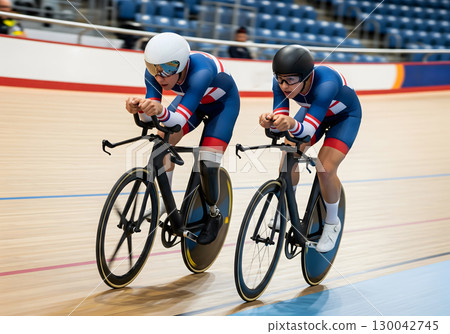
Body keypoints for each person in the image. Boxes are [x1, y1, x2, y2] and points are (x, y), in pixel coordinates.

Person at [126, 32, 240, 245]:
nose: (160, 76)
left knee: (207, 163)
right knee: (161, 144)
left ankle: (214, 213)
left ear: (182, 65)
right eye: (154, 68)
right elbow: (153, 118)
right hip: (191, 104)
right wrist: (139, 109)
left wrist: (159, 111)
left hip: (222, 108)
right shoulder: (156, 72)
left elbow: (177, 120)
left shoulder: (202, 71)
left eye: (168, 69)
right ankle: (165, 203)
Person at [259, 45, 361, 253]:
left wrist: (290, 124)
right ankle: (286, 208)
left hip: (344, 118)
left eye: (291, 80)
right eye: (280, 79)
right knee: (289, 155)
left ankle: (332, 223)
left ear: (306, 76)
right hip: (312, 113)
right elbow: (281, 113)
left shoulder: (326, 83)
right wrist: (271, 121)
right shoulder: (280, 82)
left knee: (325, 167)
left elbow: (307, 129)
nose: (285, 85)